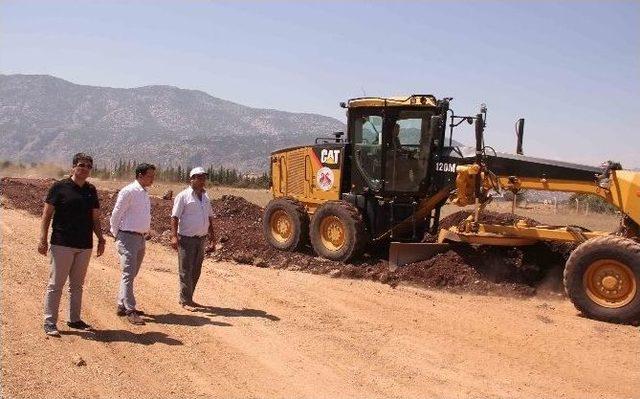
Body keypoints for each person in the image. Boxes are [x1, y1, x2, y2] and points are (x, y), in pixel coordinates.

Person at [39, 153, 105, 337]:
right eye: (81, 165)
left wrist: (101, 238)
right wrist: (42, 239)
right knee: (56, 284)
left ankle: (74, 319)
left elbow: (95, 218)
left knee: (77, 285)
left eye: (88, 166)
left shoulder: (91, 190)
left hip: (84, 245)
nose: (84, 168)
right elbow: (46, 215)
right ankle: (50, 321)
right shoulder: (59, 187)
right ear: (73, 167)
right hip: (62, 243)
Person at [109, 163, 156, 325]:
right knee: (128, 274)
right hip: (127, 237)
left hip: (140, 238)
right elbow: (116, 213)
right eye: (150, 175)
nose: (153, 179)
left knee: (131, 274)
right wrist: (115, 233)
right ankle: (130, 310)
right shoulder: (128, 191)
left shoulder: (144, 192)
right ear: (140, 175)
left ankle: (121, 304)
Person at [170, 167, 215, 309]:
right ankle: (185, 300)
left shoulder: (206, 198)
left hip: (201, 239)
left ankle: (189, 297)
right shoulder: (183, 196)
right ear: (192, 179)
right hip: (186, 239)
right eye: (199, 178)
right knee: (185, 270)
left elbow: (209, 218)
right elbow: (174, 217)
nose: (203, 181)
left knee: (196, 270)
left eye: (204, 178)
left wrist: (213, 237)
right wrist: (173, 236)